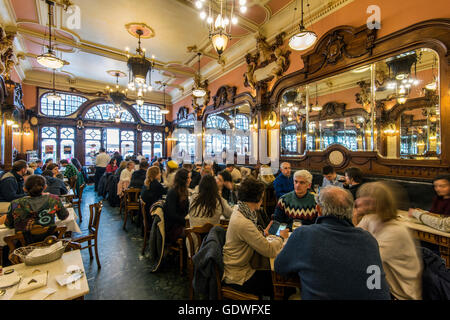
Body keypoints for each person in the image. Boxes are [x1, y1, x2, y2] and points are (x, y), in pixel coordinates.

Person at [274, 186, 391, 300]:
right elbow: (376, 286)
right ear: (352, 211)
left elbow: (280, 267)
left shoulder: (304, 234)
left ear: (318, 210)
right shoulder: (368, 240)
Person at [355, 182, 422, 300]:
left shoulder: (396, 231)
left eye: (365, 199)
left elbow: (367, 259)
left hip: (399, 293)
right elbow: (353, 240)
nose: (358, 202)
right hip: (378, 282)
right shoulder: (371, 218)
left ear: (378, 203)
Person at [222, 177, 288, 298]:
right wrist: (281, 237)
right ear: (257, 198)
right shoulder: (244, 222)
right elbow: (270, 250)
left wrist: (261, 233)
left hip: (239, 266)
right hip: (239, 276)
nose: (262, 199)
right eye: (262, 196)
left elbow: (248, 236)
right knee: (282, 285)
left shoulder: (240, 210)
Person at [4, 175, 69, 234]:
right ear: (45, 187)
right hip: (50, 240)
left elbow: (9, 224)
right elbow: (64, 216)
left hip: (24, 244)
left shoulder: (15, 203)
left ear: (24, 189)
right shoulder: (53, 199)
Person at [163, 168, 191, 244]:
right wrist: (185, 221)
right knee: (192, 234)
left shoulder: (184, 191)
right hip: (172, 227)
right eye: (188, 177)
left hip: (179, 223)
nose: (190, 180)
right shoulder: (173, 192)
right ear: (183, 179)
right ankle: (187, 255)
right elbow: (171, 214)